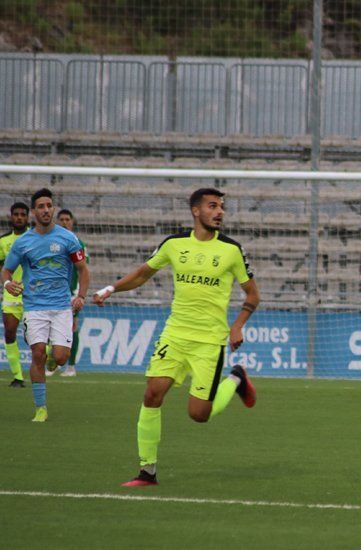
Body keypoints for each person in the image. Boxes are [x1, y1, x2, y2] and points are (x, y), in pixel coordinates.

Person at [94, 188, 260, 486]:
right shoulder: (174, 244)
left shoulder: (232, 250)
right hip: (175, 334)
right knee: (152, 393)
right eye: (213, 206)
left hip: (209, 341)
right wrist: (111, 288)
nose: (219, 211)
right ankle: (147, 471)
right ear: (196, 211)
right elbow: (144, 273)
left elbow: (253, 294)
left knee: (198, 414)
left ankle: (236, 378)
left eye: (222, 207)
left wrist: (237, 326)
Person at [0, 189, 89, 422]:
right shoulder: (23, 243)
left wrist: (81, 295)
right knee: (36, 353)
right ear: (34, 212)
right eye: (41, 206)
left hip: (61, 306)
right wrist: (8, 283)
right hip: (34, 306)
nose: (46, 209)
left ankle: (54, 356)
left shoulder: (68, 239)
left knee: (60, 358)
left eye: (49, 205)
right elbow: (6, 270)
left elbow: (83, 269)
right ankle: (40, 408)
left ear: (53, 209)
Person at [49, 209, 89, 377]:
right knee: (52, 328)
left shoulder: (78, 243)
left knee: (72, 327)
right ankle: (56, 364)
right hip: (52, 293)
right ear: (57, 221)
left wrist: (80, 293)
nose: (65, 222)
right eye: (62, 219)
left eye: (67, 219)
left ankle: (71, 366)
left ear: (72, 222)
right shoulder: (51, 242)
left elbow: (83, 270)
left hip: (71, 293)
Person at [0, 202, 29, 388]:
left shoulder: (34, 238)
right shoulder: (2, 241)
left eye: (22, 214)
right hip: (11, 294)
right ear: (11, 217)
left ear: (27, 217)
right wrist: (7, 284)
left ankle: (50, 356)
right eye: (16, 214)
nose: (19, 217)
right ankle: (18, 376)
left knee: (34, 338)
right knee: (10, 334)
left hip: (31, 294)